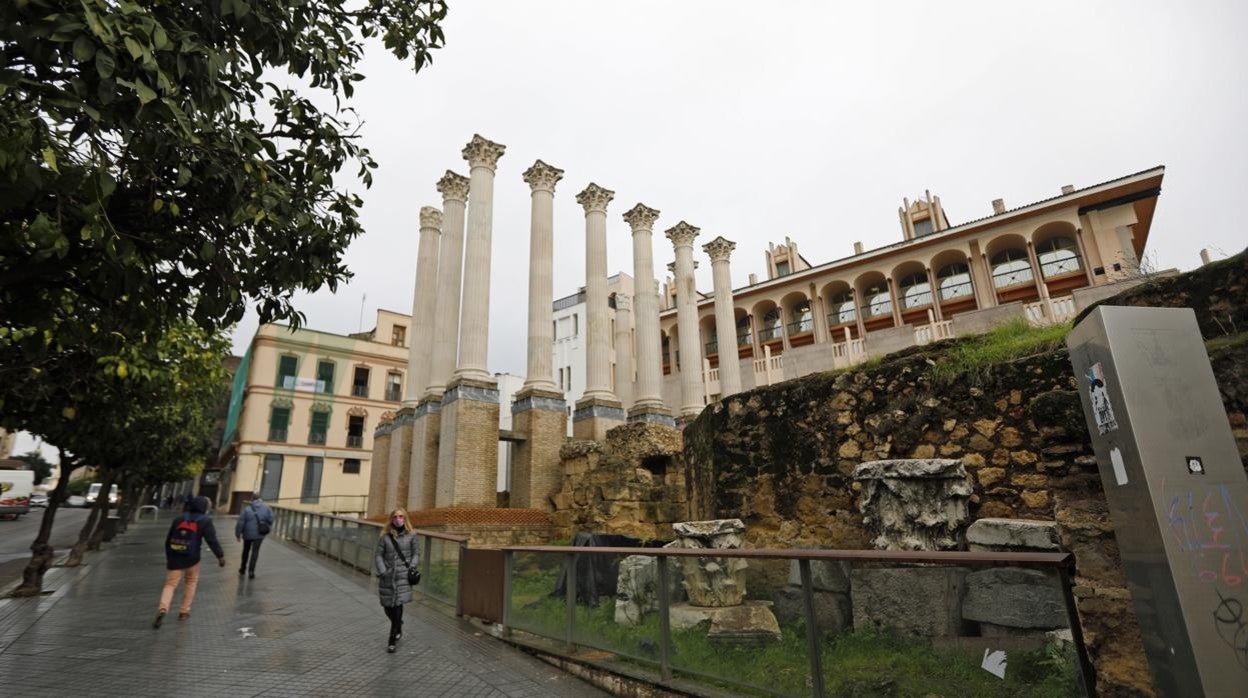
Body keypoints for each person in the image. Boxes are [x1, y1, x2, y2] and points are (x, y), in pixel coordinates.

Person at [154, 496, 225, 628]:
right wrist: (220, 556)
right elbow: (212, 540)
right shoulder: (205, 521)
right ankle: (184, 611)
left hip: (175, 556)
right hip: (192, 558)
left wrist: (169, 556)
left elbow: (168, 540)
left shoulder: (179, 519)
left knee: (170, 584)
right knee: (191, 582)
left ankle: (163, 608)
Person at [374, 508, 419, 653]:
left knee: (398, 605)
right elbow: (378, 555)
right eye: (395, 517)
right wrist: (383, 571)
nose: (398, 519)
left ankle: (392, 640)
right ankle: (398, 624)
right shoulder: (385, 537)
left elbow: (416, 553)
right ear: (391, 519)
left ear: (405, 518)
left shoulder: (412, 535)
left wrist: (411, 567)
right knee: (387, 606)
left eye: (400, 516)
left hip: (403, 576)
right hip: (388, 575)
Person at [235, 494, 274, 579]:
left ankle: (242, 569)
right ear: (260, 499)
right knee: (255, 552)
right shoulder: (267, 508)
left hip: (247, 534)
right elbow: (271, 520)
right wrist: (268, 527)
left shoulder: (247, 509)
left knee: (245, 551)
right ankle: (251, 572)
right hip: (259, 534)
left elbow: (240, 522)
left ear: (252, 500)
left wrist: (238, 534)